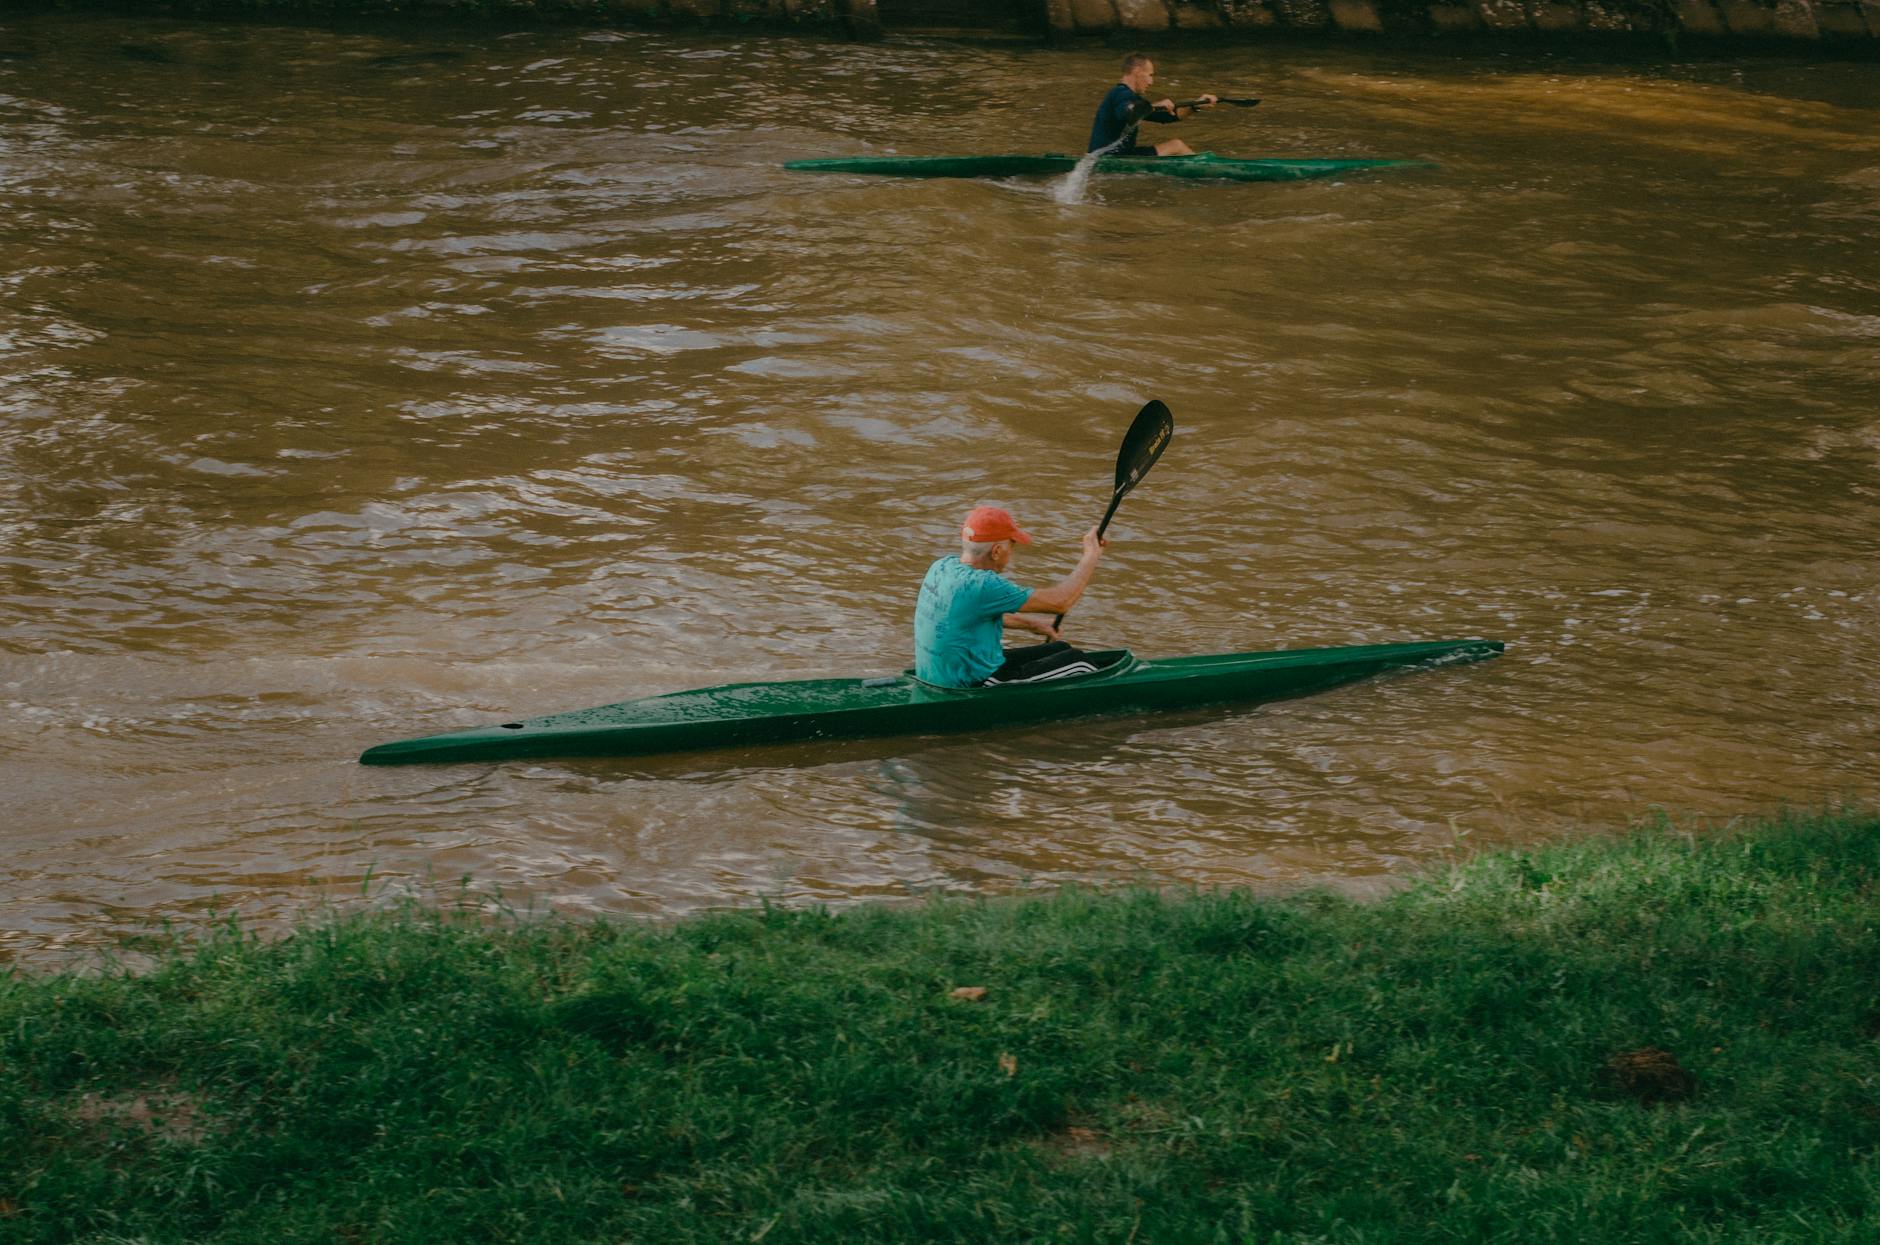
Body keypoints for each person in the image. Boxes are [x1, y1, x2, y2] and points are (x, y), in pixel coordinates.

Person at [914, 505, 1108, 688]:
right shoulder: (984, 585)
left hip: (939, 675)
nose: (1011, 554)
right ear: (997, 551)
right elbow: (1061, 602)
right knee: (1080, 663)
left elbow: (969, 615)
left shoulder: (941, 567)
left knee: (1061, 648)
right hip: (970, 685)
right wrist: (1091, 556)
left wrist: (1033, 625)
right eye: (1012, 547)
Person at [1088, 53, 1217, 157]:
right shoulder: (1121, 94)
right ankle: (1209, 170)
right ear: (1137, 71)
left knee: (1175, 145)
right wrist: (1154, 106)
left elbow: (1168, 116)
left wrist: (1196, 105)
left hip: (1117, 155)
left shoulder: (1133, 98)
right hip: (1110, 158)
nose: (1151, 82)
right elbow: (1129, 112)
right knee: (1176, 145)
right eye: (1150, 75)